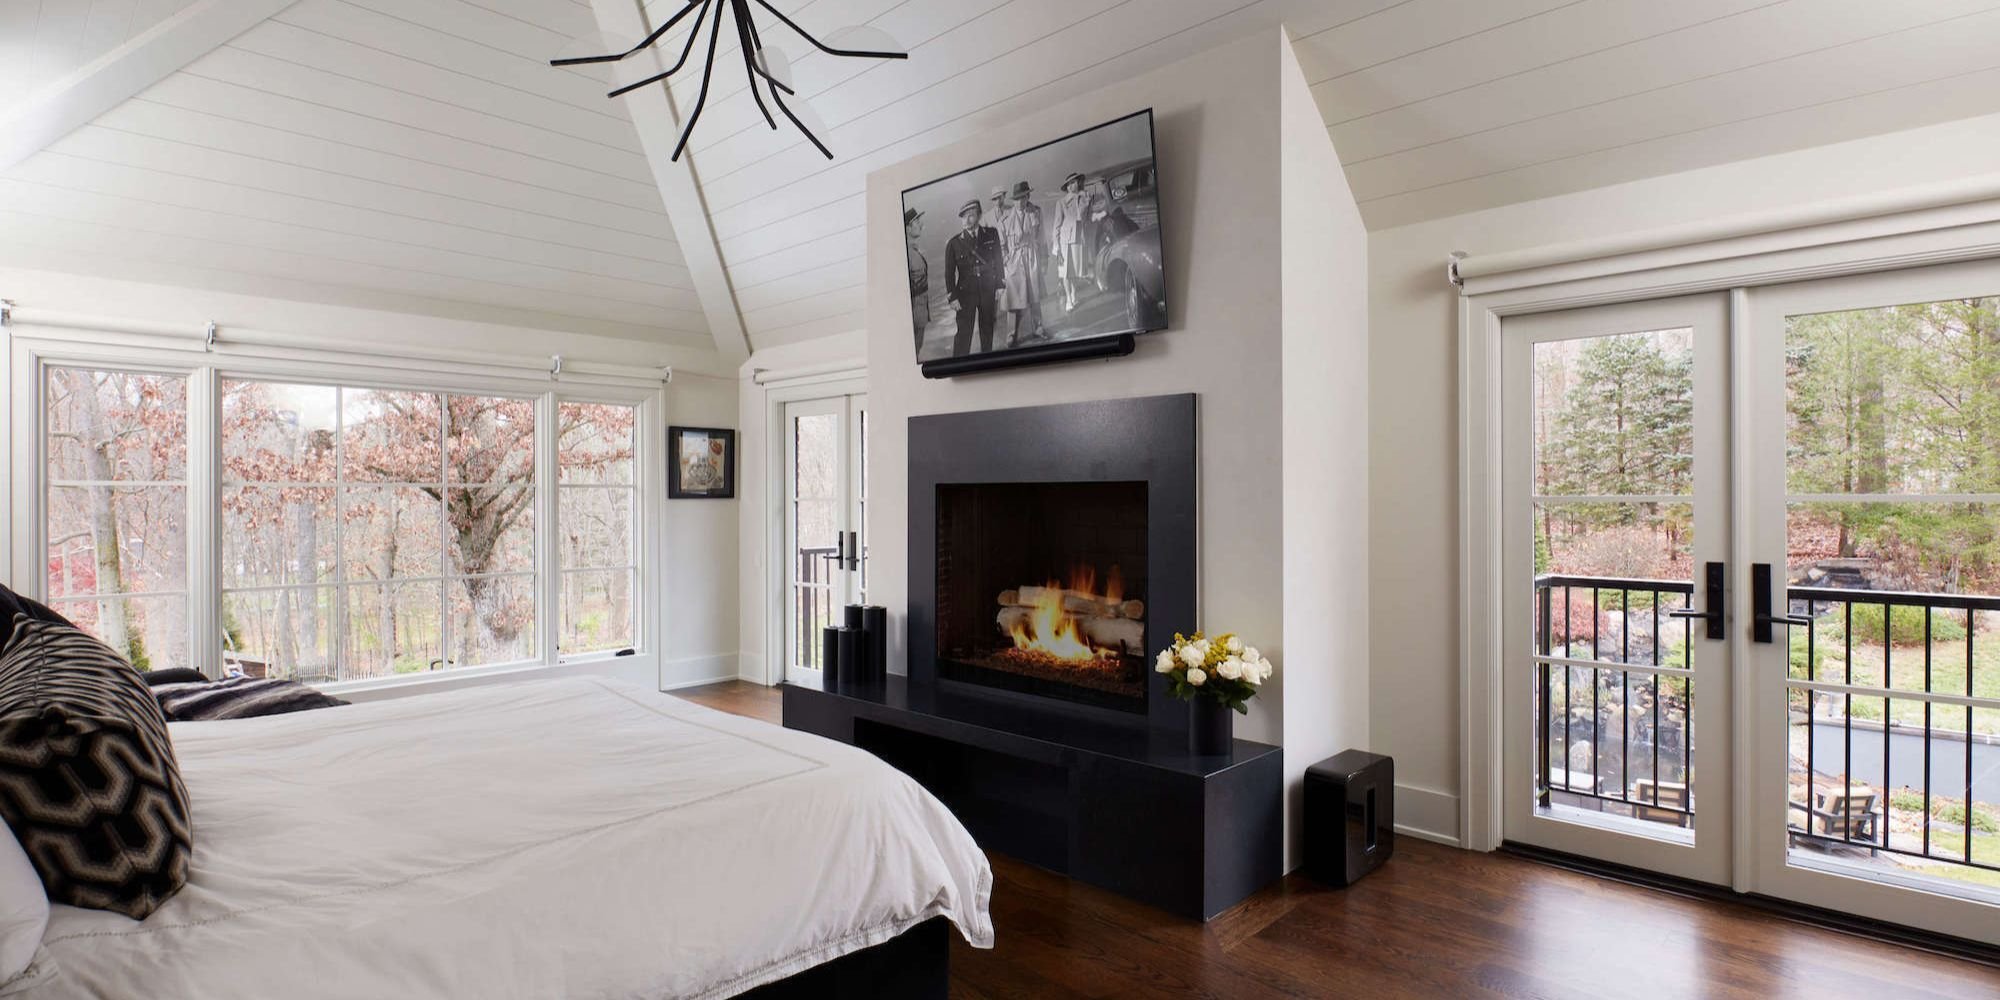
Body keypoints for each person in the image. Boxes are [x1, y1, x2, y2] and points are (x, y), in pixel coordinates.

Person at [943, 198, 1003, 355]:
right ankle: (960, 366)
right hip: (965, 293)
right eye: (963, 216)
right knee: (964, 332)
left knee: (987, 328)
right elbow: (949, 273)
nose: (966, 220)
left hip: (987, 290)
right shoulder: (954, 243)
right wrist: (952, 297)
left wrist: (1000, 284)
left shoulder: (991, 234)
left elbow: (998, 260)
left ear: (979, 215)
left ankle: (987, 362)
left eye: (971, 215)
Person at [997, 180, 1045, 347]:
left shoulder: (1036, 212)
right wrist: (1006, 262)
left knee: (1035, 294)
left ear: (1028, 196)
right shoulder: (1005, 220)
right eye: (1016, 199)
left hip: (1031, 256)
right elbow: (1001, 246)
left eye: (1023, 198)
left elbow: (1041, 237)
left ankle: (1038, 328)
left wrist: (1044, 259)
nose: (1020, 202)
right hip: (1014, 260)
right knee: (1013, 299)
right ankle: (1011, 335)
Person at [1052, 172, 1091, 313]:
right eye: (1069, 184)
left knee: (1074, 270)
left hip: (1079, 239)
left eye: (1074, 182)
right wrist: (1056, 248)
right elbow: (1056, 226)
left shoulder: (1084, 198)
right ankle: (1068, 298)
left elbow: (1085, 217)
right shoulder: (1061, 203)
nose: (1071, 186)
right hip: (1065, 241)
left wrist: (1084, 200)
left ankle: (1074, 295)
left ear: (1078, 183)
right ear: (1066, 188)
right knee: (1065, 272)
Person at [905, 208, 929, 351]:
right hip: (914, 315)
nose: (921, 224)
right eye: (917, 221)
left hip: (919, 313)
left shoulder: (913, 250)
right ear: (907, 228)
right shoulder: (907, 253)